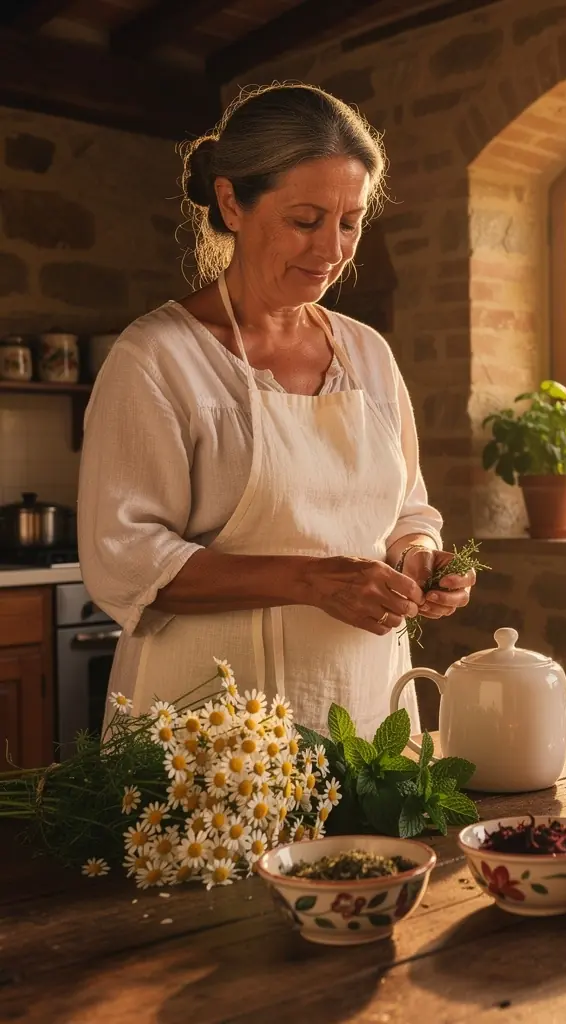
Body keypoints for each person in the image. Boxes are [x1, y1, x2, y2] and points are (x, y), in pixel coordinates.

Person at [78, 83, 475, 737]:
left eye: (349, 222)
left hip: (364, 713)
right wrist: (313, 580)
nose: (332, 250)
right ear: (232, 201)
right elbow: (126, 555)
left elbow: (408, 508)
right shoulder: (158, 358)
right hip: (208, 729)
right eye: (305, 219)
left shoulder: (367, 353)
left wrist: (420, 557)